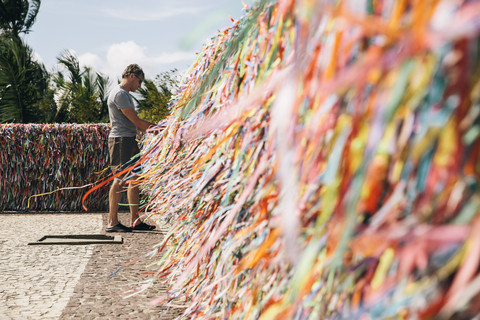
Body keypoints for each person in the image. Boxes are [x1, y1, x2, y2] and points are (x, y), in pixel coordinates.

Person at [105, 64, 156, 232]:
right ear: (132, 76)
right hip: (121, 141)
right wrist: (158, 128)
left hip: (128, 139)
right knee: (119, 180)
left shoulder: (125, 94)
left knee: (135, 179)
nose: (140, 86)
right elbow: (136, 122)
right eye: (139, 81)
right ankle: (112, 222)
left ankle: (136, 220)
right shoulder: (120, 94)